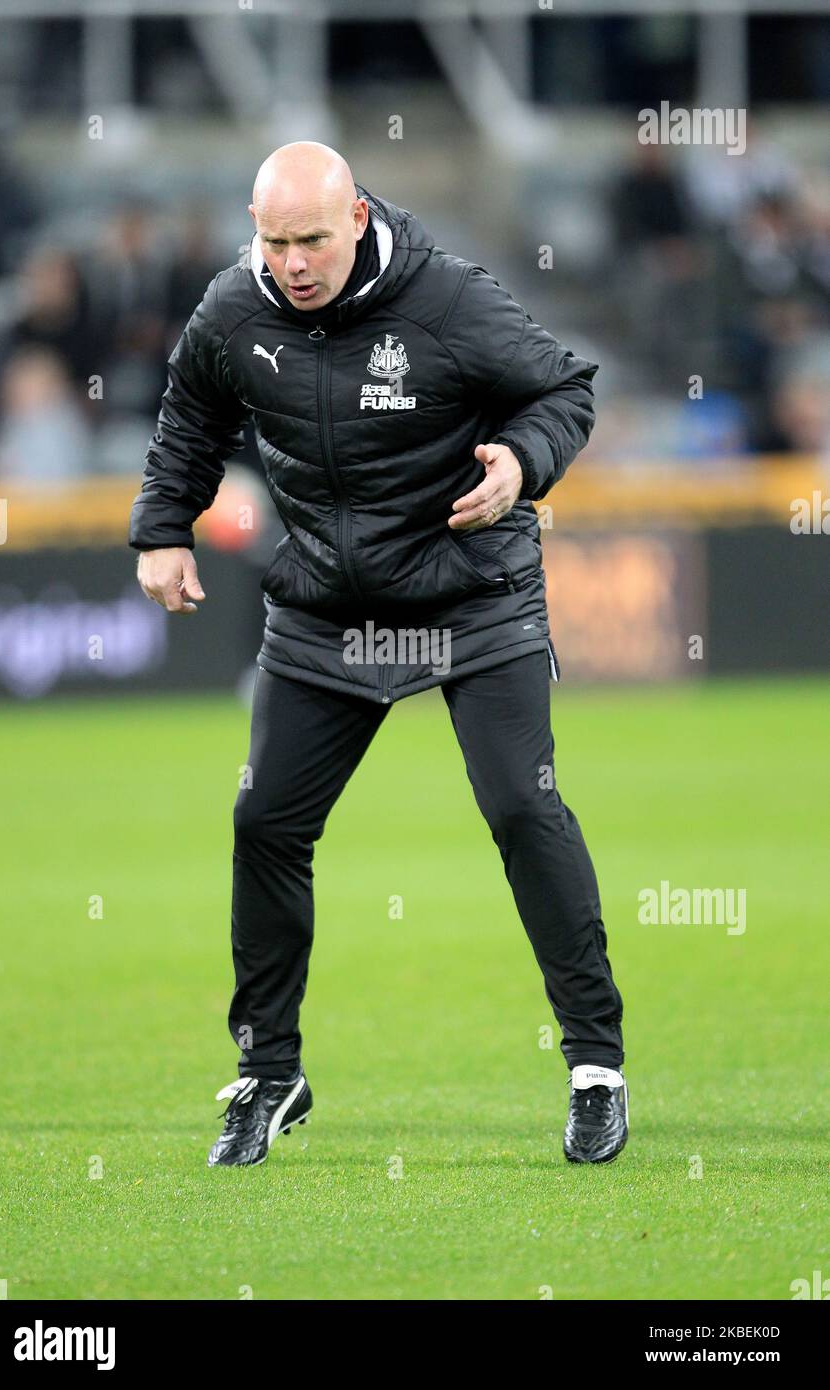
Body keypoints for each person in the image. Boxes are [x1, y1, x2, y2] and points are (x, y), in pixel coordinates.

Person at [129, 142, 627, 1168]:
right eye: (273, 242)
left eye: (310, 238)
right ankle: (269, 1073)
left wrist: (520, 464)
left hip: (471, 595)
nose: (293, 262)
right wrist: (163, 528)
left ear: (356, 218)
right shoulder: (234, 309)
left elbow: (565, 388)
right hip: (324, 610)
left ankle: (592, 1066)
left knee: (520, 807)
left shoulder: (449, 300)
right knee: (264, 820)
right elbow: (190, 417)